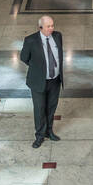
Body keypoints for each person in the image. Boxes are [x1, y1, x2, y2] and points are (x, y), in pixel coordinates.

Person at [19, 16, 63, 149]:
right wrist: (37, 68)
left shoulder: (58, 36)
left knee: (51, 107)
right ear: (40, 28)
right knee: (39, 109)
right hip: (38, 81)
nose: (51, 28)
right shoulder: (31, 40)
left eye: (52, 25)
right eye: (48, 26)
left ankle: (49, 131)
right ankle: (39, 135)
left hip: (55, 80)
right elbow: (24, 58)